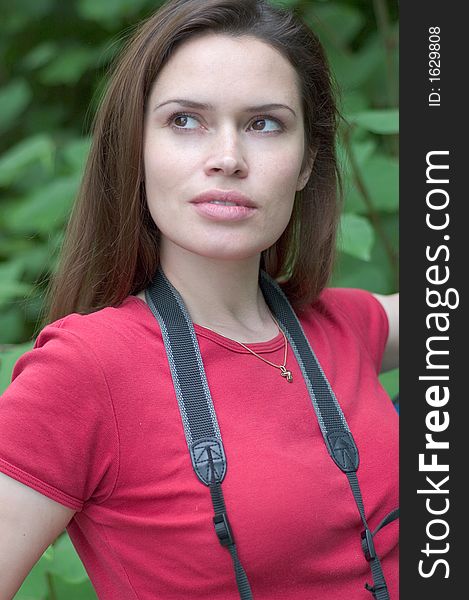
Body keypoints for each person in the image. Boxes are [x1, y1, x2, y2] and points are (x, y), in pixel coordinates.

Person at [0, 0, 399, 598]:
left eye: (265, 123)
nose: (228, 158)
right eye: (186, 121)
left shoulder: (342, 326)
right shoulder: (86, 370)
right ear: (136, 147)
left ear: (307, 162)